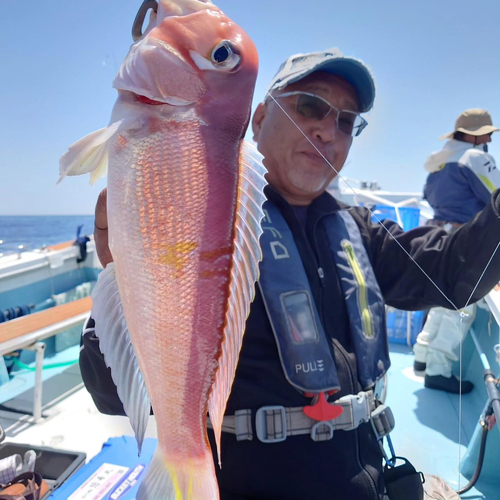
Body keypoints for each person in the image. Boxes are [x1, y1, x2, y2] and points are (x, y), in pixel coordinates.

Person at [80, 49, 500, 500]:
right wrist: (132, 289)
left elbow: (456, 276)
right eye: (310, 106)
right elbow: (109, 389)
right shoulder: (208, 229)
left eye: (346, 121)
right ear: (258, 119)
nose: (328, 130)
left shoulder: (360, 230)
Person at [413, 109, 500, 394]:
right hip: (464, 241)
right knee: (460, 309)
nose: (490, 137)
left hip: (437, 236)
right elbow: (496, 193)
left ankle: (422, 358)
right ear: (477, 135)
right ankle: (438, 370)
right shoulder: (475, 158)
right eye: (488, 132)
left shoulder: (438, 164)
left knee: (440, 302)